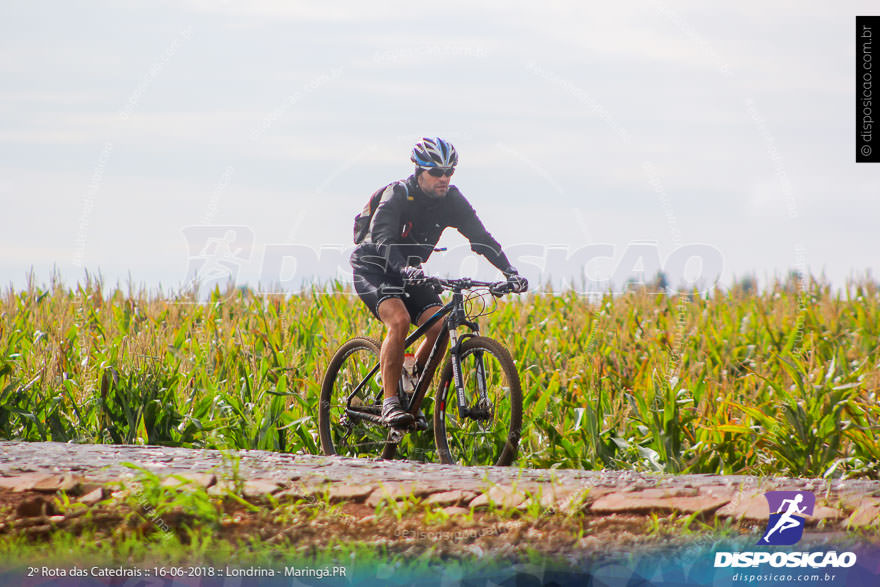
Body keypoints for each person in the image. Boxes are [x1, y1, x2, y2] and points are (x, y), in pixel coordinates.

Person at [350, 137, 527, 427]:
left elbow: (481, 238)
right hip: (375, 268)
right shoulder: (397, 194)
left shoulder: (452, 200)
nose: (444, 178)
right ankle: (390, 403)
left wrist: (510, 272)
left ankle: (410, 384)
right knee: (399, 320)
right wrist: (404, 269)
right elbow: (382, 239)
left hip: (412, 271)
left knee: (440, 326)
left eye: (449, 172)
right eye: (436, 172)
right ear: (419, 171)